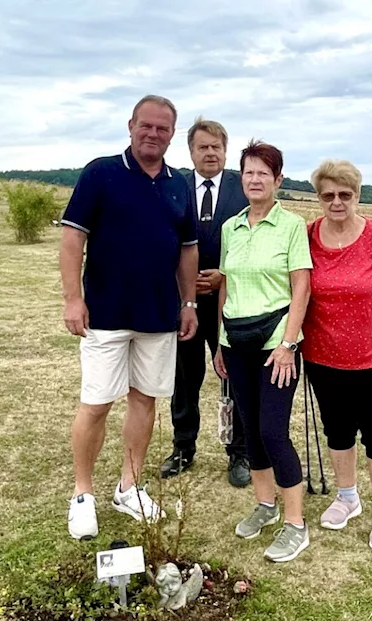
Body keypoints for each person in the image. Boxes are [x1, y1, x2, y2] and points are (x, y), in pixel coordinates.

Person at [59, 94, 199, 541]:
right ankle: (83, 496)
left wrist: (188, 303)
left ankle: (130, 487)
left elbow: (188, 250)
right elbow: (71, 241)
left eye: (162, 128)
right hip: (105, 313)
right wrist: (72, 299)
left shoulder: (180, 184)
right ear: (130, 125)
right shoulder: (101, 172)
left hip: (159, 316)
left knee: (145, 401)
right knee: (97, 403)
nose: (153, 134)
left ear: (172, 134)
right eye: (146, 125)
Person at [302, 160, 372, 552]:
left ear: (357, 196)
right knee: (337, 429)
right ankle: (347, 497)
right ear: (318, 198)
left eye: (344, 195)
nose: (337, 202)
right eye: (328, 195)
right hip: (322, 355)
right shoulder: (308, 235)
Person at [213, 140, 313, 563]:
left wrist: (289, 344)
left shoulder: (291, 226)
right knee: (249, 430)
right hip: (236, 343)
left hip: (277, 345)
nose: (255, 180)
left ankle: (296, 525)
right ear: (242, 178)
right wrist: (219, 341)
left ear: (278, 180)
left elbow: (302, 286)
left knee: (273, 431)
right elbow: (225, 285)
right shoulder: (230, 228)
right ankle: (265, 505)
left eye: (263, 173)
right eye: (248, 172)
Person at [160, 117, 252, 488]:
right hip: (184, 302)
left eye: (217, 147)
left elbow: (252, 241)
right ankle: (183, 447)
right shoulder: (173, 186)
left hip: (229, 302)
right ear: (191, 151)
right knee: (185, 378)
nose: (210, 153)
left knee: (233, 377)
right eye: (203, 147)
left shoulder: (242, 187)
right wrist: (183, 283)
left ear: (225, 151)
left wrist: (223, 275)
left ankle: (239, 452)